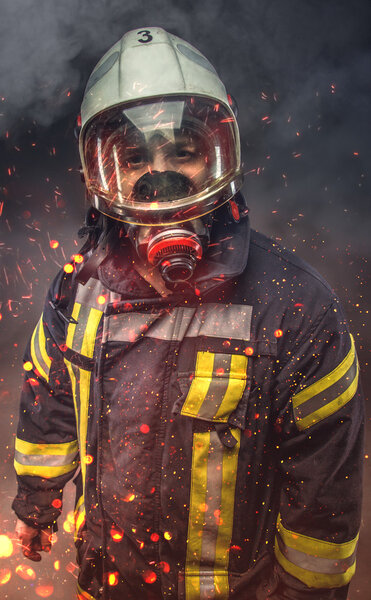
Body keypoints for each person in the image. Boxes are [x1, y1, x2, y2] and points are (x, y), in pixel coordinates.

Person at [12, 27, 363, 600]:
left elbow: (323, 499)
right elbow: (50, 401)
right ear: (99, 173)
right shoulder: (78, 289)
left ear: (221, 154)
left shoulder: (298, 310)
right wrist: (37, 503)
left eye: (183, 150)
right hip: (107, 584)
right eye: (133, 156)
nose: (161, 177)